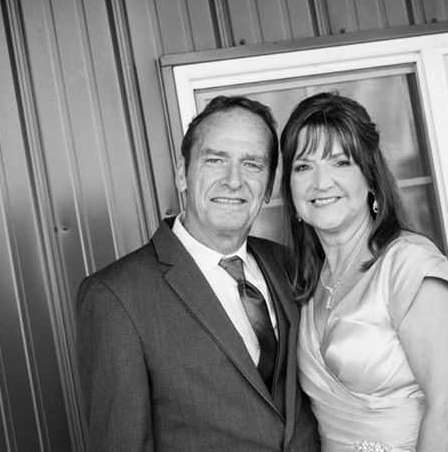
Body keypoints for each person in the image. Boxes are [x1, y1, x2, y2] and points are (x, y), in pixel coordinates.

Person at [77, 95, 320, 451]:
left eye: (252, 164)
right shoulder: (115, 296)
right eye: (215, 160)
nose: (233, 181)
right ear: (182, 173)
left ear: (269, 185)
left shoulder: (288, 265)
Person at [279, 92, 448, 452]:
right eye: (304, 167)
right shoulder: (308, 283)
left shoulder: (410, 265)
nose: (321, 183)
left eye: (340, 162)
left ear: (370, 178)